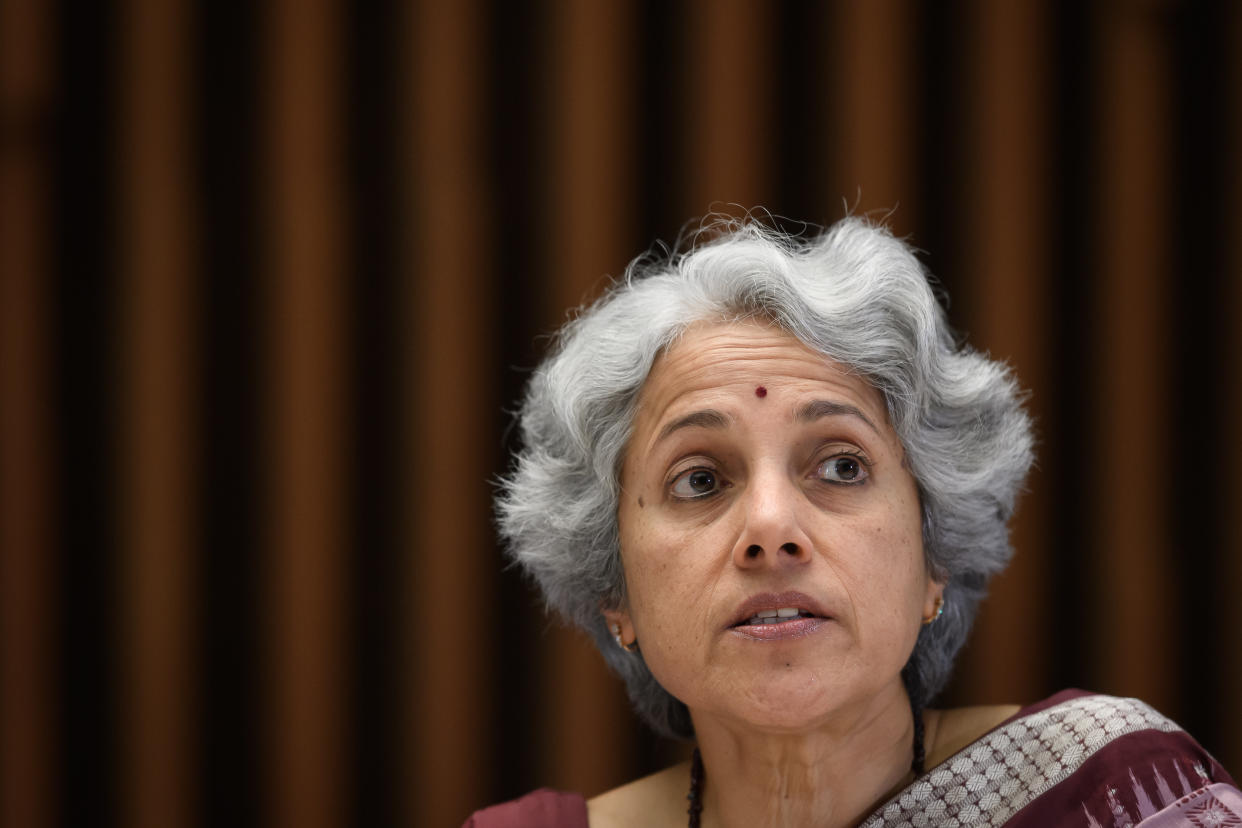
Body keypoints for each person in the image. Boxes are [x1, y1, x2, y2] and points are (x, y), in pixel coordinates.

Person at [465, 217, 1239, 827]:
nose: (770, 528)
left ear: (935, 555)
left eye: (841, 465)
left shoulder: (1118, 797)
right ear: (615, 593)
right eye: (700, 480)